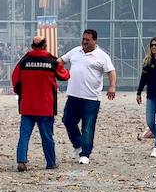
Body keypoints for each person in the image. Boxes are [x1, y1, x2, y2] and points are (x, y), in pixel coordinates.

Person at [11, 36, 70, 171]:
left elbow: (15, 79)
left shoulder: (24, 61)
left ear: (32, 46)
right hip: (46, 106)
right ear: (45, 46)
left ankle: (21, 161)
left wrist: (20, 92)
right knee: (47, 136)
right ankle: (50, 162)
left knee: (24, 135)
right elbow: (64, 76)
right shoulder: (52, 61)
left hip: (27, 105)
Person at [58, 29, 116, 165]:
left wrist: (112, 86)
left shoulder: (102, 56)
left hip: (91, 98)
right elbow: (60, 61)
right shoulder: (75, 51)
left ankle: (85, 153)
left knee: (88, 126)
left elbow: (111, 72)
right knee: (67, 121)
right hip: (73, 95)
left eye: (87, 40)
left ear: (94, 41)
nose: (84, 42)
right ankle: (78, 144)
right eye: (83, 39)